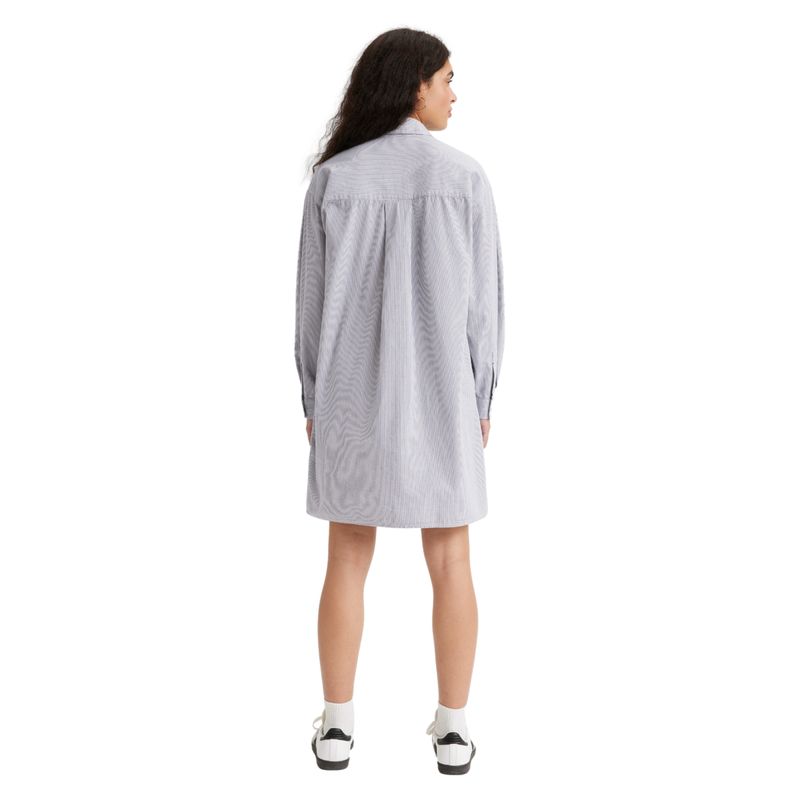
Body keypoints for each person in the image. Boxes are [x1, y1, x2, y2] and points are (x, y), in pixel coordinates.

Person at [295, 27, 505, 774]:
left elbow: (311, 307)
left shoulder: (333, 180)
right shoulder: (465, 179)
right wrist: (482, 394)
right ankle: (453, 730)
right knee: (450, 558)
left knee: (347, 556)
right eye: (447, 78)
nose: (455, 93)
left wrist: (313, 396)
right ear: (416, 83)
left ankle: (337, 727)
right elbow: (484, 309)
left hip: (349, 397)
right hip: (444, 392)